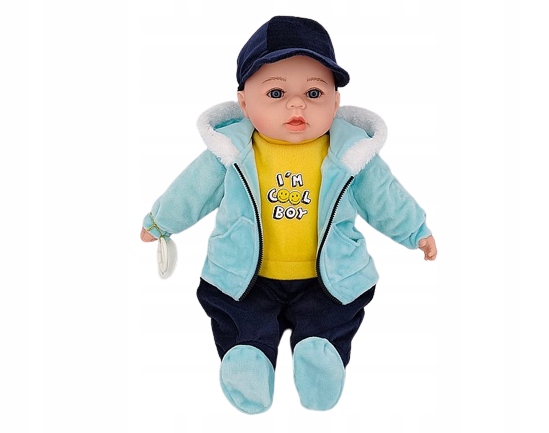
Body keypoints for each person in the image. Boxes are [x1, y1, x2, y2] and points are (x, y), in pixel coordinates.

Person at [141, 15, 437, 414]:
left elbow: (385, 198)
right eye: (276, 93)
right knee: (239, 315)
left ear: (335, 103)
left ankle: (321, 352)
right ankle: (248, 356)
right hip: (246, 276)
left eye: (314, 93)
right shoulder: (231, 152)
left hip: (327, 277)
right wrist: (161, 222)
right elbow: (191, 191)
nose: (297, 104)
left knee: (333, 315)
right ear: (244, 103)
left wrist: (415, 230)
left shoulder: (351, 154)